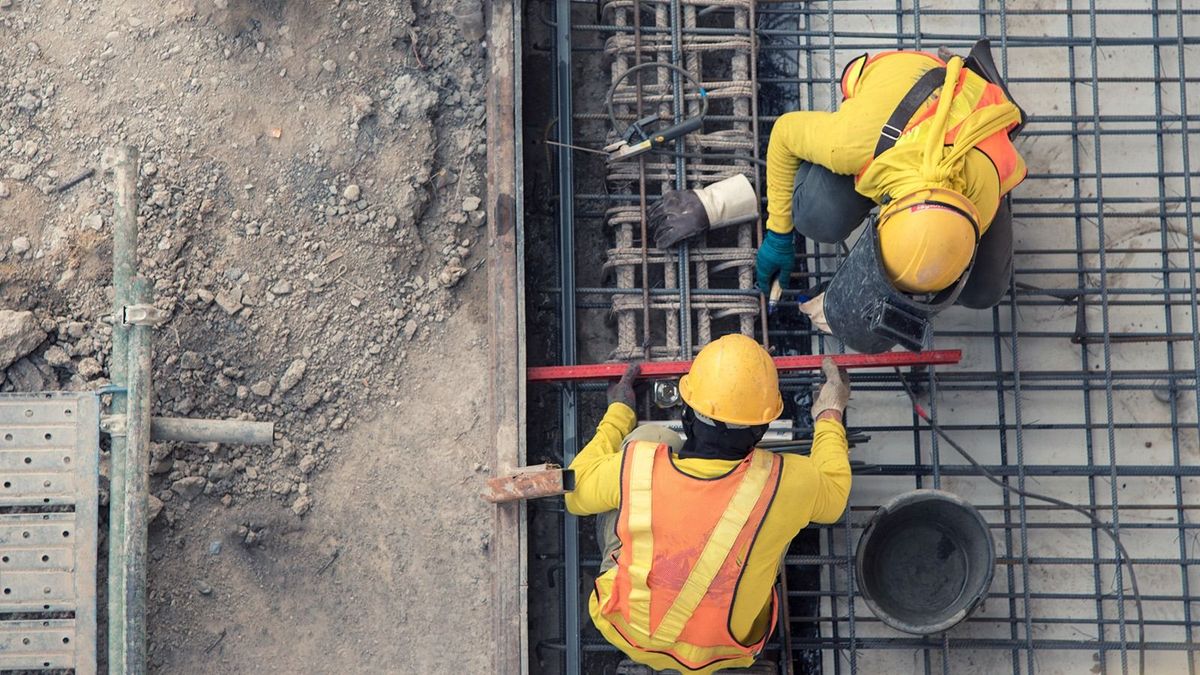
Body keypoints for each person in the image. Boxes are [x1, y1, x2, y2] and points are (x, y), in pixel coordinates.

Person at [652, 41, 1026, 353]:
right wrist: (779, 232)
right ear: (885, 213)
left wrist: (850, 305)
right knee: (816, 216)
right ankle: (962, 71)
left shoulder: (985, 190)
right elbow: (783, 135)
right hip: (905, 91)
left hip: (977, 131)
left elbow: (930, 263)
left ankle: (983, 82)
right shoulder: (853, 144)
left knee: (985, 291)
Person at [565, 334, 852, 674]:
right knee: (778, 514)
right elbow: (835, 495)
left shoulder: (638, 465)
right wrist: (829, 412)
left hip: (629, 630)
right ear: (761, 432)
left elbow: (575, 491)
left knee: (648, 441)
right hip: (727, 651)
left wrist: (619, 411)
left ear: (686, 415)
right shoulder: (787, 481)